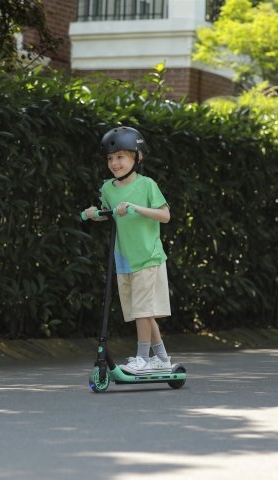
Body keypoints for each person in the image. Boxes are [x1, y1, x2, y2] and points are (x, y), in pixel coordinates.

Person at [83, 126, 173, 375]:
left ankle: (143, 358)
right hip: (124, 258)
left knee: (143, 310)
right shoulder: (108, 189)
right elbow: (108, 212)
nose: (114, 163)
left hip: (147, 256)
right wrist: (94, 213)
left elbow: (165, 215)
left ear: (137, 158)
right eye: (110, 158)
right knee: (140, 312)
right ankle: (162, 358)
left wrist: (135, 207)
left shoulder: (147, 186)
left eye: (121, 157)